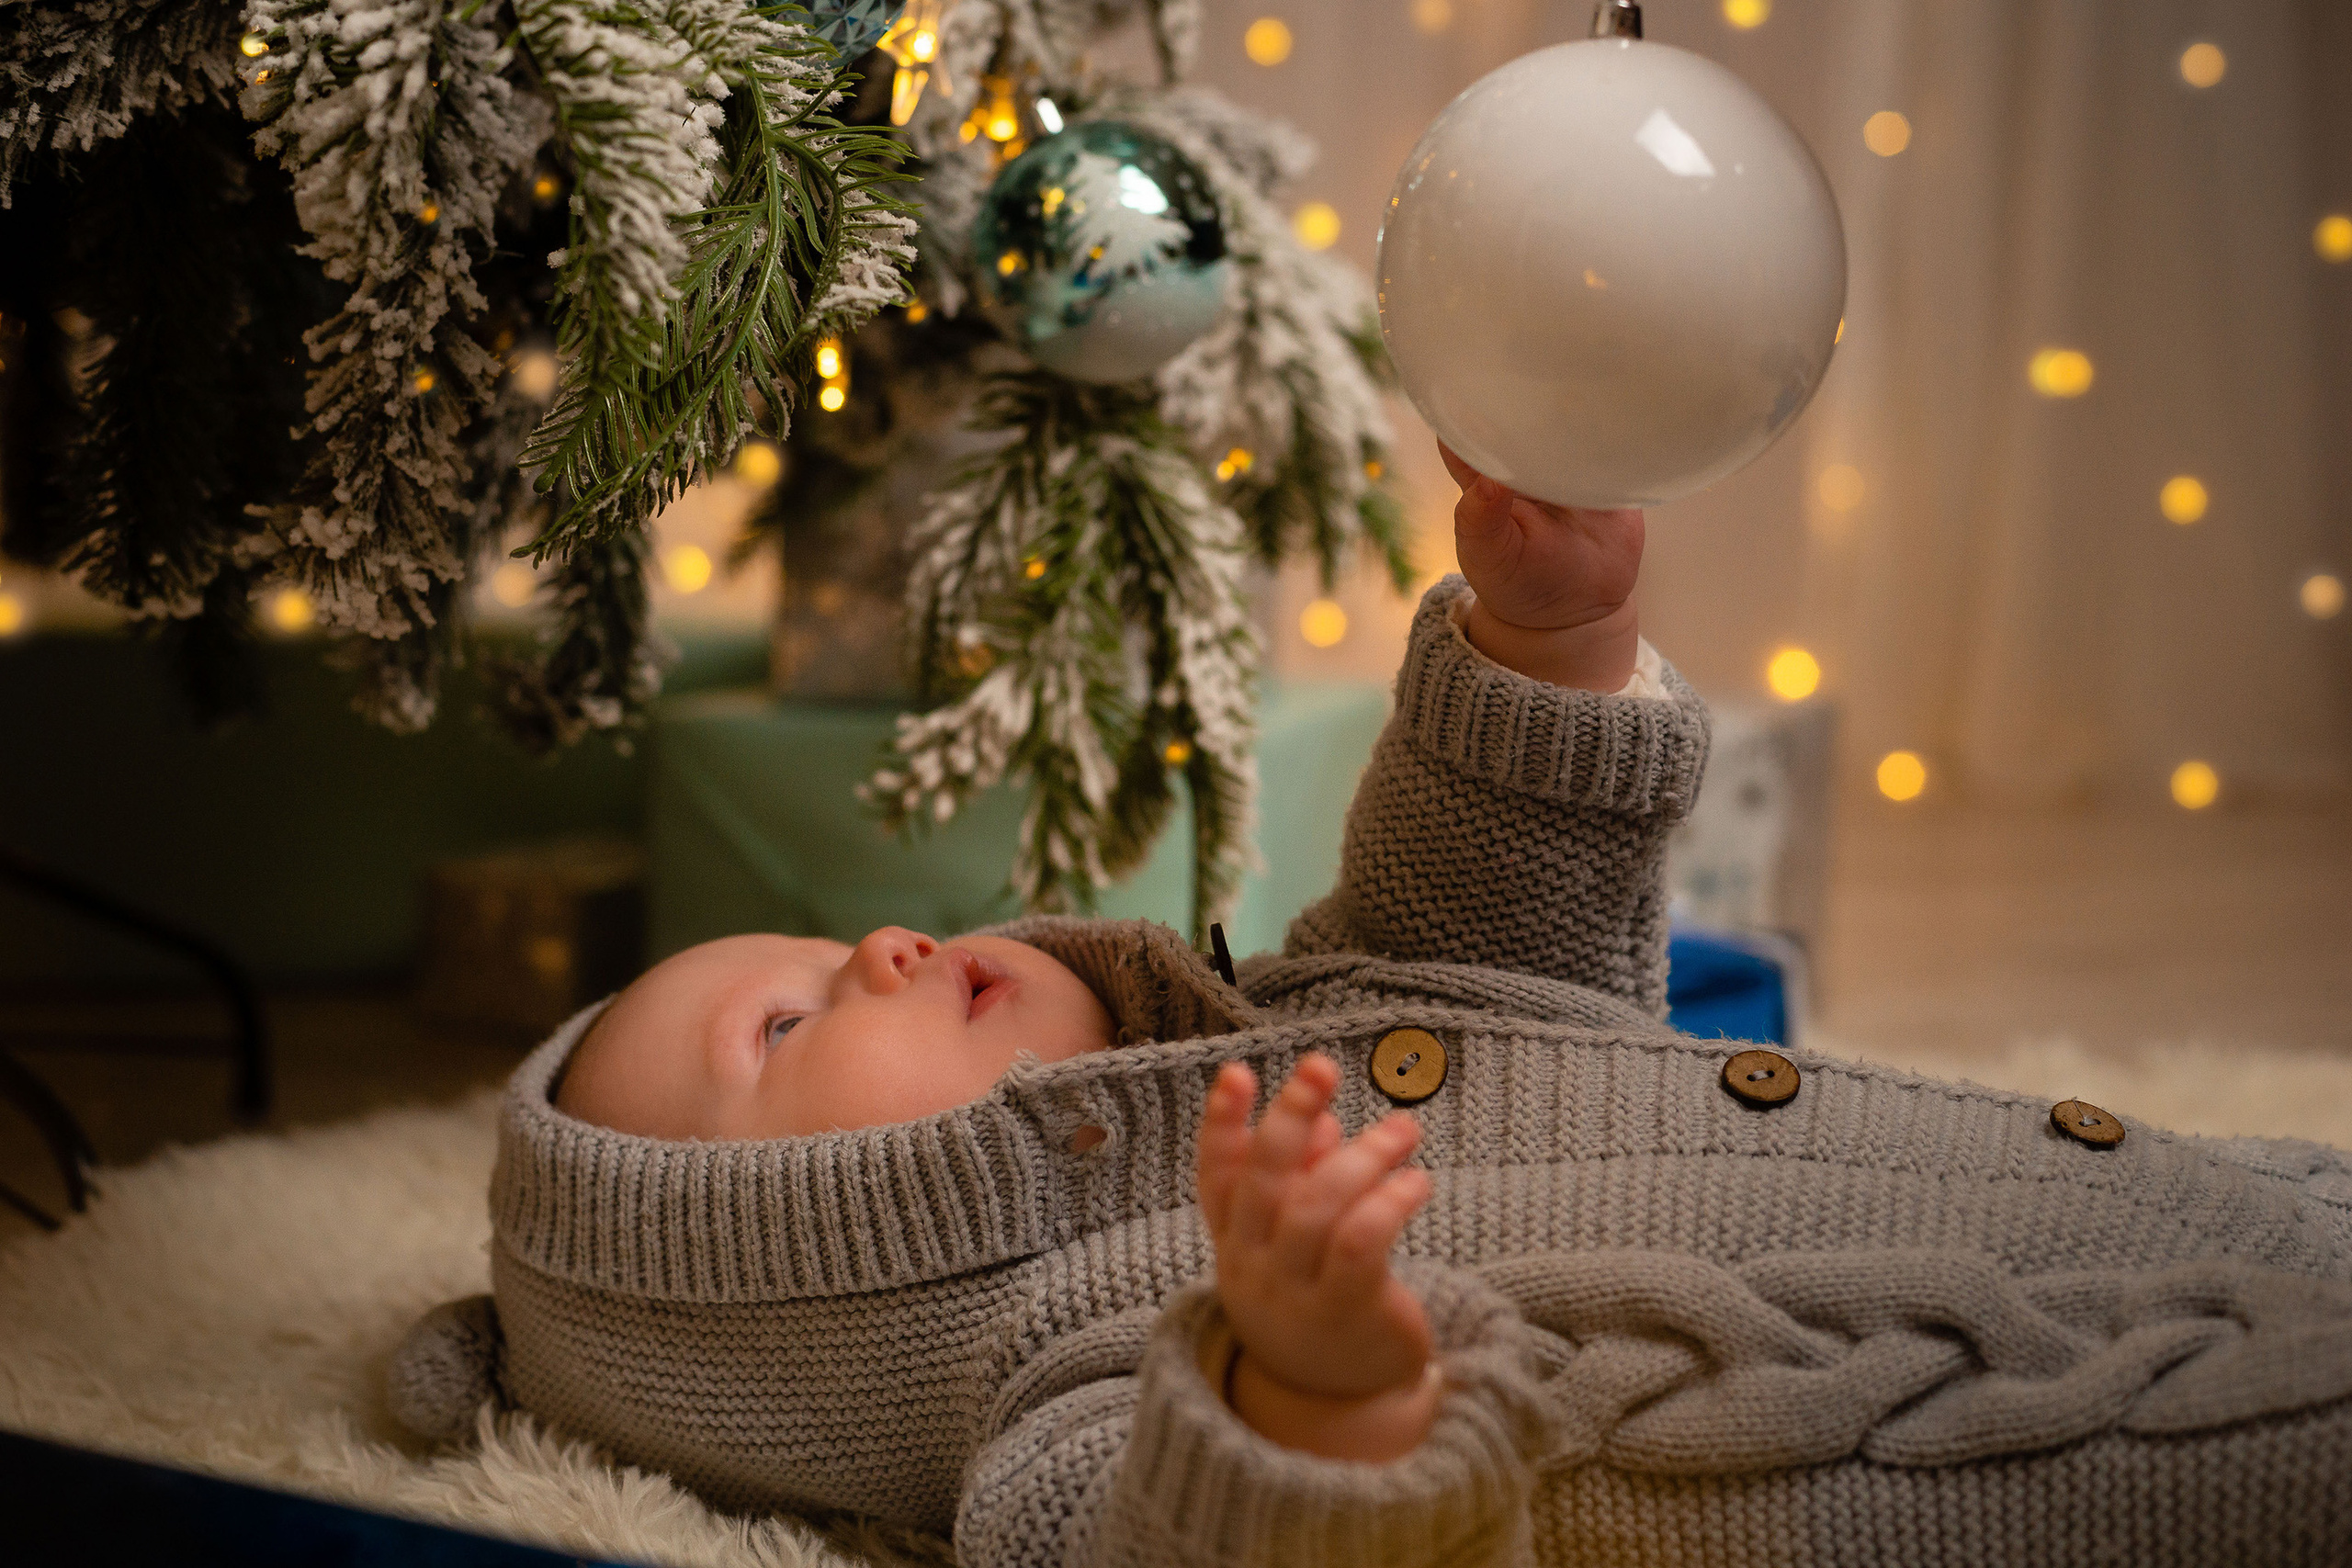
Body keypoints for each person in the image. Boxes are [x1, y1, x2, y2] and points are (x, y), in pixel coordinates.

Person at [394, 445, 2352, 1566]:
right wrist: (1313, 1386)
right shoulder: (1072, 1380)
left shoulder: (1316, 1020)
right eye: (788, 1025)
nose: (879, 949)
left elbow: (1493, 877)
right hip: (2147, 1450)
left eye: (821, 945)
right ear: (782, 1264)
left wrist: (1543, 621)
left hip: (2239, 1206)